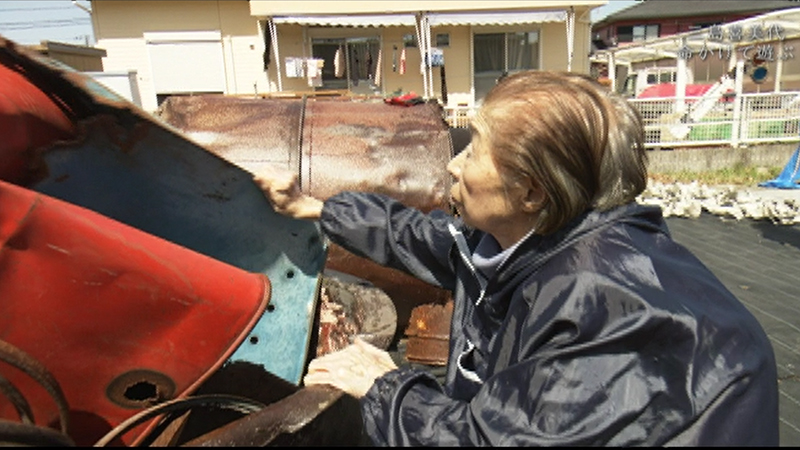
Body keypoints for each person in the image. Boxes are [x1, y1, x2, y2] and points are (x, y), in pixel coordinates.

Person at [254, 70, 779, 446]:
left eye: (476, 149)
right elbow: (416, 235)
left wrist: (383, 383)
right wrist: (315, 207)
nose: (455, 166)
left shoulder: (602, 304)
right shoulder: (528, 241)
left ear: (531, 192)